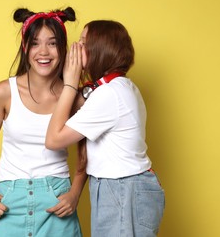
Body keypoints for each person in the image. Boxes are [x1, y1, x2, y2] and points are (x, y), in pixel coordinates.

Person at [45, 20, 165, 237]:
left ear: (97, 50)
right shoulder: (121, 87)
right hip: (124, 186)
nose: (76, 48)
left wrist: (71, 83)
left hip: (122, 189)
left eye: (82, 42)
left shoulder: (109, 94)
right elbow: (85, 100)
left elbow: (53, 139)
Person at [0, 7, 87, 237]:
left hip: (56, 200)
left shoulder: (74, 98)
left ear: (63, 49)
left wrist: (75, 193)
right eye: (35, 43)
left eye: (53, 43)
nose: (43, 52)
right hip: (10, 202)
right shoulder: (3, 92)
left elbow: (87, 152)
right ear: (26, 48)